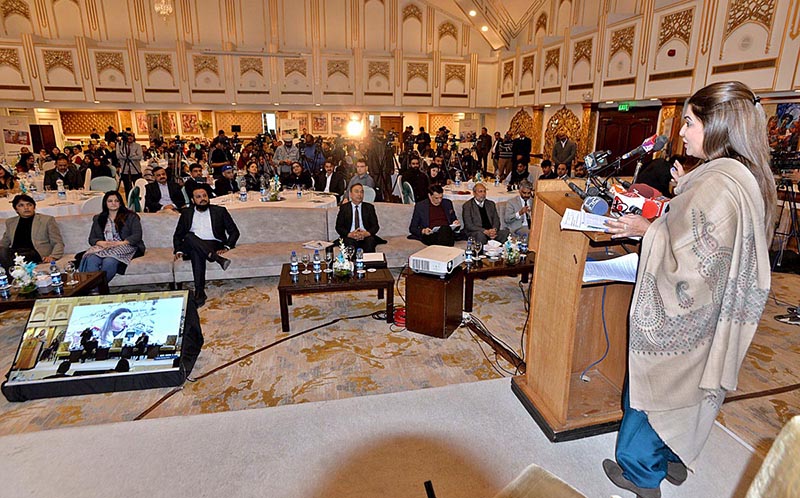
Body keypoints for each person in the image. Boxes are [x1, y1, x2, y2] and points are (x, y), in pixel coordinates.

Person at [601, 81, 776, 498]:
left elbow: (692, 257)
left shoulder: (718, 183)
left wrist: (647, 230)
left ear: (717, 127)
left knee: (653, 382)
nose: (682, 131)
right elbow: (706, 233)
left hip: (684, 310)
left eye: (690, 122)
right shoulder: (735, 175)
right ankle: (674, 457)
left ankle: (640, 472)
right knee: (691, 388)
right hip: (713, 312)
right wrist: (682, 193)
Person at [173, 185, 240, 307]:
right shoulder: (186, 213)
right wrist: (178, 250)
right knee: (189, 236)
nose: (202, 199)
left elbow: (234, 231)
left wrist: (227, 247)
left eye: (204, 196)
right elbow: (178, 235)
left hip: (213, 243)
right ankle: (216, 258)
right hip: (190, 242)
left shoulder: (220, 211)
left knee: (196, 252)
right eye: (198, 197)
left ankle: (199, 292)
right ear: (193, 200)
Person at [79, 190, 145, 284]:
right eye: (110, 201)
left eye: (116, 201)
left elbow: (137, 235)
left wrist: (120, 243)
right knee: (91, 259)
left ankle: (98, 288)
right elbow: (92, 238)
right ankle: (93, 288)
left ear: (120, 202)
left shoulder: (131, 216)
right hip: (104, 246)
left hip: (125, 245)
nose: (113, 203)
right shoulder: (99, 218)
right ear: (105, 203)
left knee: (109, 261)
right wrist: (101, 243)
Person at [0, 194, 64, 271]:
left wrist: (53, 256)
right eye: (21, 205)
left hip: (34, 253)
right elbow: (4, 242)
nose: (26, 208)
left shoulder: (47, 220)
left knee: (13, 258)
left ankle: (10, 277)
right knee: (3, 252)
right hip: (15, 252)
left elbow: (58, 242)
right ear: (16, 209)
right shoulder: (10, 222)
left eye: (29, 205)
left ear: (34, 207)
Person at [335, 184, 381, 253]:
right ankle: (353, 263)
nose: (359, 194)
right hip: (350, 236)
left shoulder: (369, 207)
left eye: (361, 192)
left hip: (365, 236)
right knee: (349, 243)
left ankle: (369, 263)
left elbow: (375, 226)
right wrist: (350, 234)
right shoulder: (344, 208)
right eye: (356, 191)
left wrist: (366, 233)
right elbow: (339, 227)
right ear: (350, 194)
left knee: (370, 241)